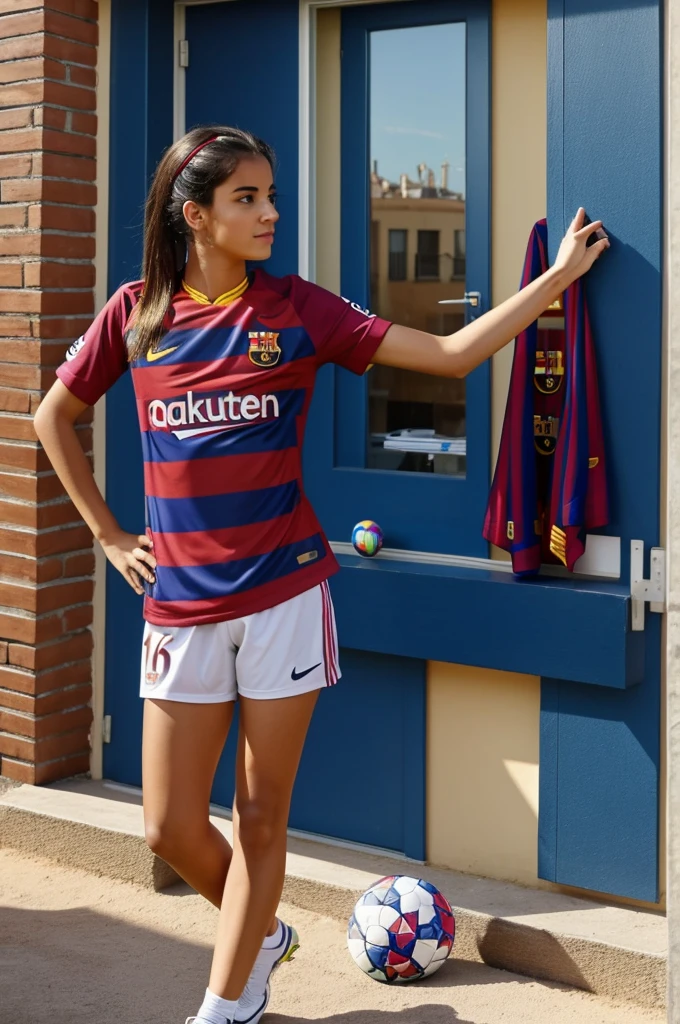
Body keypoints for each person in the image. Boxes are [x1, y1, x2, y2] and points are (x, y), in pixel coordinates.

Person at [33, 125, 609, 1024]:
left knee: (261, 818)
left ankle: (228, 1004)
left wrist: (557, 280)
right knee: (170, 827)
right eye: (247, 199)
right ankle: (260, 932)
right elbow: (51, 418)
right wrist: (110, 535)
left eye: (270, 195)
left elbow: (452, 357)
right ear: (197, 215)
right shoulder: (136, 313)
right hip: (179, 604)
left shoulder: (298, 308)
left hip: (285, 597)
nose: (270, 213)